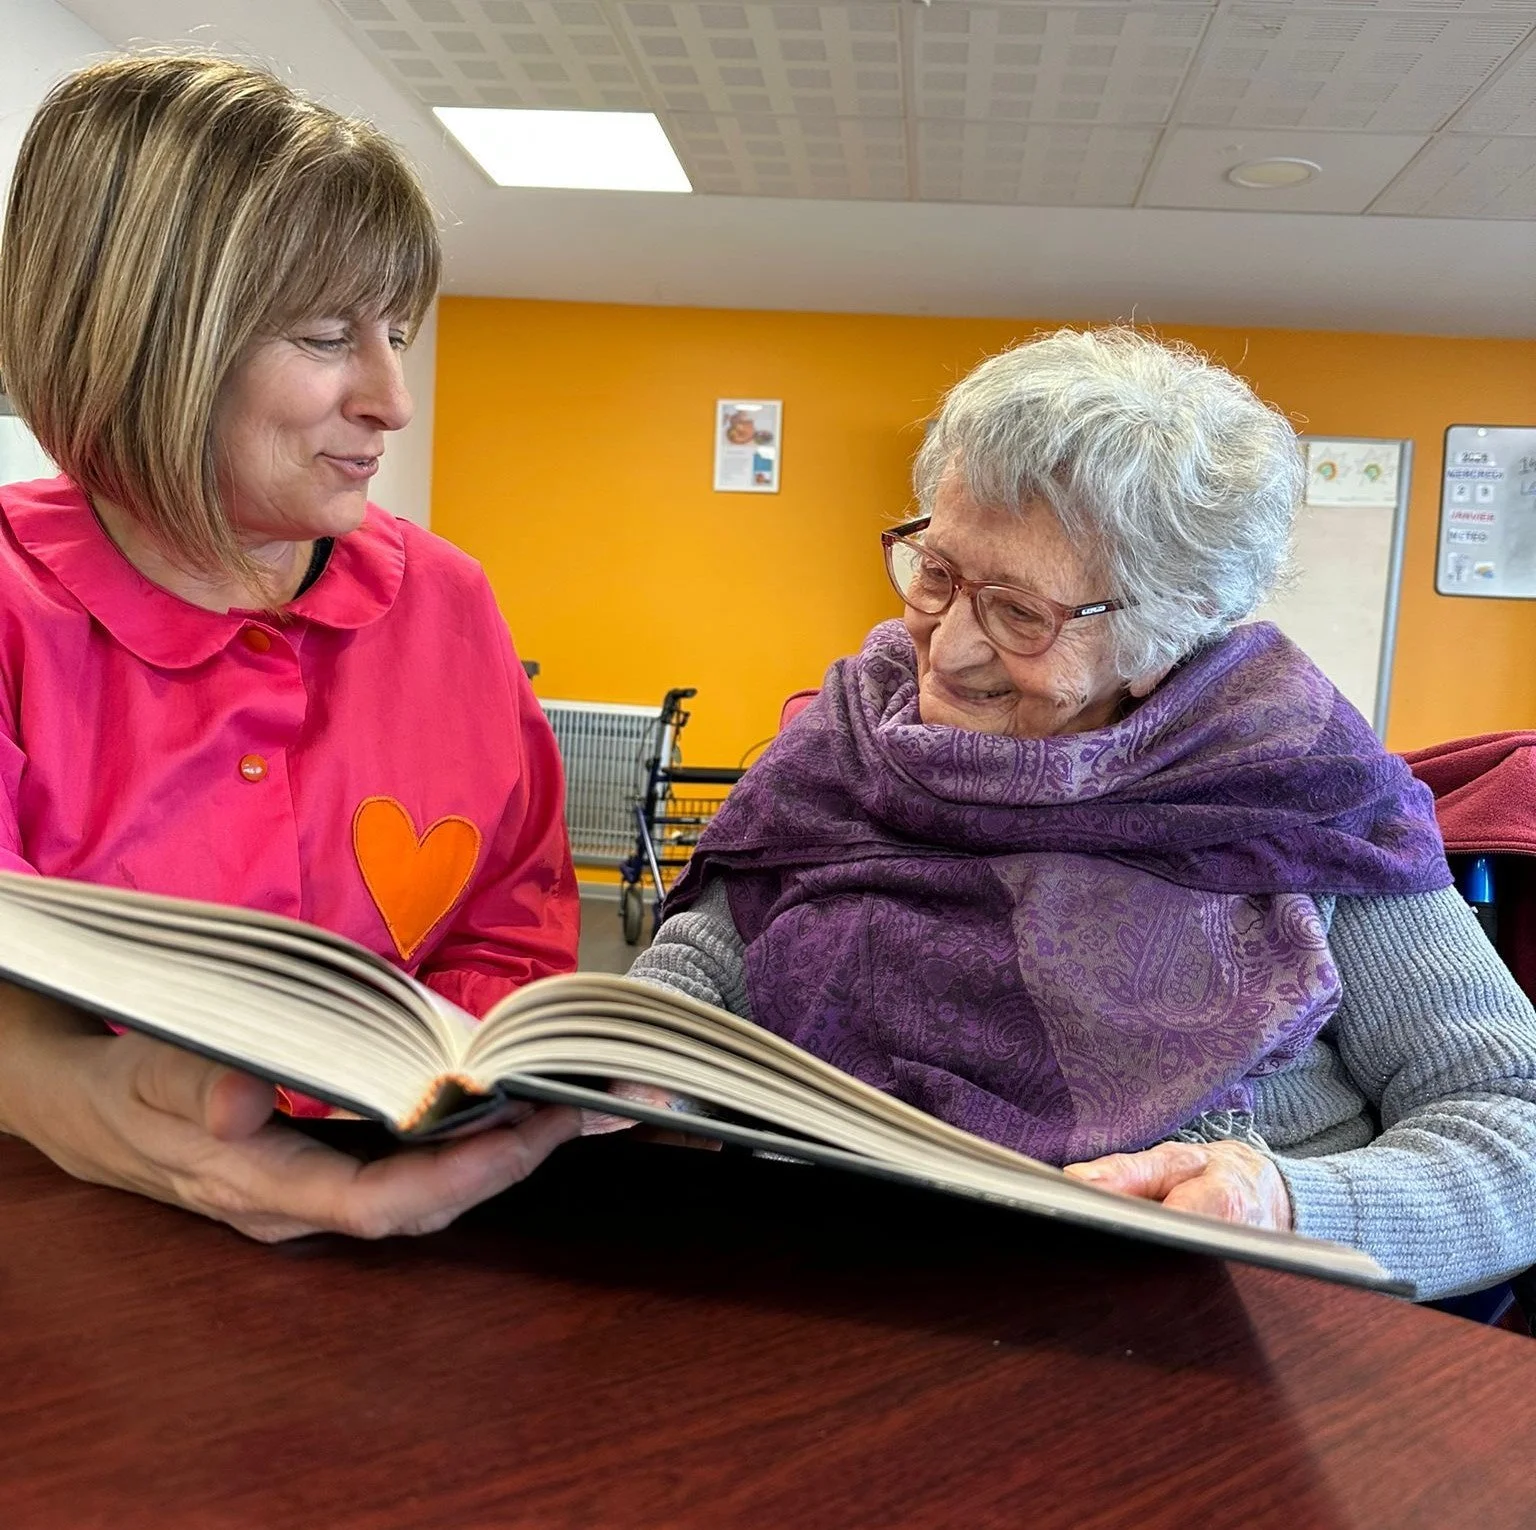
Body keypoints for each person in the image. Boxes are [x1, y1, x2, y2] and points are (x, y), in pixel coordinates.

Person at [631, 327, 1536, 1301]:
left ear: (1165, 634)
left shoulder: (1296, 782)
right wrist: (633, 1062)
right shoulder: (849, 730)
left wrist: (1282, 1205)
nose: (947, 651)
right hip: (833, 1273)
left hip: (1193, 1308)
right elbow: (714, 955)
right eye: (936, 574)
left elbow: (1509, 1117)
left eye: (1021, 614)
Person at [0, 56, 582, 1240]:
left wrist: (470, 1085)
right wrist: (84, 1101)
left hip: (426, 1241)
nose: (392, 399)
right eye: (326, 336)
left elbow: (509, 919)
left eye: (397, 333)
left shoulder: (450, 605)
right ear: (143, 341)